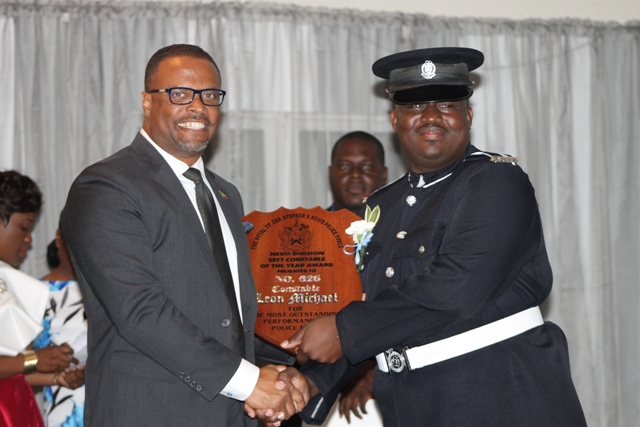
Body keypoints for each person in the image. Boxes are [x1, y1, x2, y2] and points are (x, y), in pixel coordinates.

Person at [277, 47, 587, 426]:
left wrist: (342, 330)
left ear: (467, 115)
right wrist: (309, 382)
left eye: (446, 105)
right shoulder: (379, 206)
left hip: (501, 396)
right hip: (411, 404)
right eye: (413, 107)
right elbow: (373, 306)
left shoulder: (496, 181)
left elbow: (458, 285)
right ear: (395, 119)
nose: (429, 117)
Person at [61, 44, 308, 427]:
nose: (198, 107)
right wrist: (249, 383)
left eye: (210, 95)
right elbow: (139, 311)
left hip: (231, 414)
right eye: (179, 94)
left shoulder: (225, 194)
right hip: (148, 412)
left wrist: (282, 370)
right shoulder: (106, 186)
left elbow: (228, 316)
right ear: (147, 101)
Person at [0, 170, 79, 427]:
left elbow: (11, 369)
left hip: (15, 405)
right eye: (24, 227)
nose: (28, 238)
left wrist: (57, 377)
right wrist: (35, 359)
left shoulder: (7, 279)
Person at [30, 225, 87, 426]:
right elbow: (15, 369)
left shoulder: (107, 289)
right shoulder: (31, 293)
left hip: (111, 405)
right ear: (59, 237)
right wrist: (58, 376)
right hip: (62, 412)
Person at [327, 131, 387, 215]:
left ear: (384, 174)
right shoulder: (308, 227)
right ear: (330, 173)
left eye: (367, 166)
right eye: (344, 166)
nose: (355, 174)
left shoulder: (403, 226)